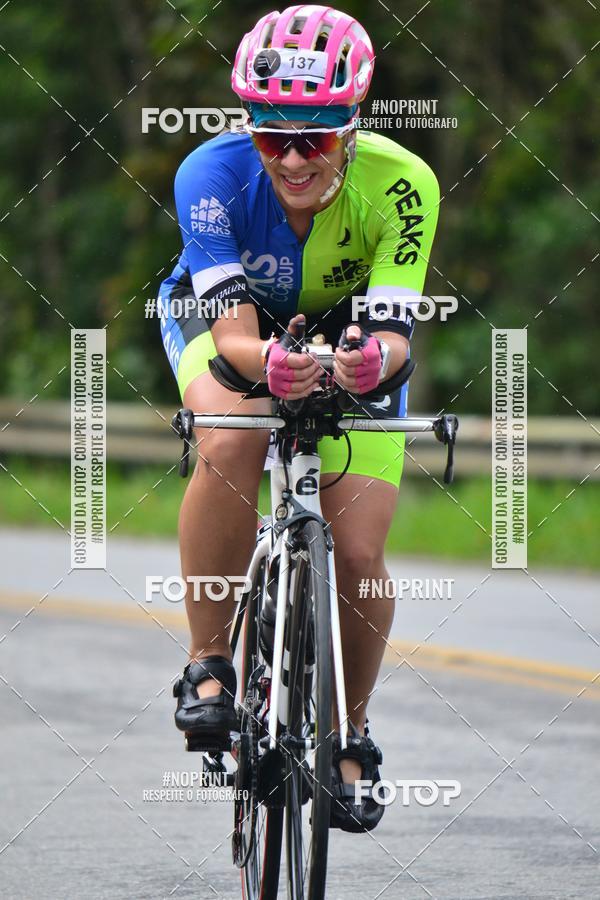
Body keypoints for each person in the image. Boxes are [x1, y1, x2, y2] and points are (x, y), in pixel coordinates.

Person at [160, 4, 440, 832]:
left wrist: (363, 364)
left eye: (313, 138)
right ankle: (209, 664)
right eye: (270, 135)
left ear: (351, 128)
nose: (290, 158)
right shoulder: (208, 175)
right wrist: (274, 370)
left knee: (355, 550)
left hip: (351, 333)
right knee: (229, 440)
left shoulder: (402, 183)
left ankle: (351, 734)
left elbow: (392, 338)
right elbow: (236, 341)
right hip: (232, 331)